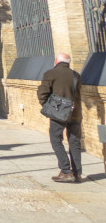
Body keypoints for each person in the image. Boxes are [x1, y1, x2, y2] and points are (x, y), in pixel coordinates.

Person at [37, 53, 85, 183]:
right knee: (74, 143)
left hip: (59, 113)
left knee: (56, 139)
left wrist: (48, 107)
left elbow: (42, 93)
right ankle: (77, 173)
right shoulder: (76, 75)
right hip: (76, 113)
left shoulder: (50, 74)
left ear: (56, 61)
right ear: (68, 62)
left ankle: (65, 170)